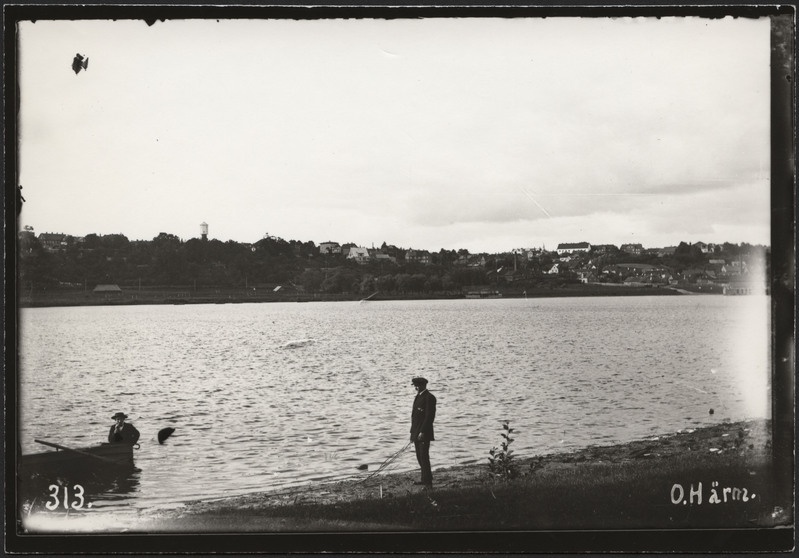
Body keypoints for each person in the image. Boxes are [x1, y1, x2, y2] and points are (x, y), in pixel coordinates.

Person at [410, 376, 436, 489]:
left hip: (423, 433)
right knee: (419, 457)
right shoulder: (418, 397)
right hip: (416, 432)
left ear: (423, 385)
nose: (416, 387)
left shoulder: (429, 398)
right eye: (415, 386)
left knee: (424, 457)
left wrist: (422, 431)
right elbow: (414, 417)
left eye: (418, 386)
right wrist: (412, 433)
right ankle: (424, 479)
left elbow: (429, 417)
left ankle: (428, 483)